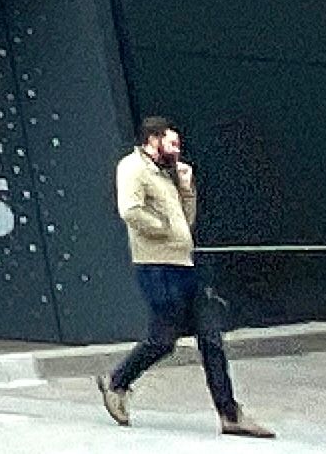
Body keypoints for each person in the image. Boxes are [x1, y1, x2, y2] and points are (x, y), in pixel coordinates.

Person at [103, 116, 270, 436]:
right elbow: (130, 210)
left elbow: (186, 222)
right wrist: (163, 230)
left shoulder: (169, 174)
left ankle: (229, 413)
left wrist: (186, 189)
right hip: (156, 266)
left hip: (185, 264)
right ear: (153, 140)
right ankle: (117, 383)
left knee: (210, 336)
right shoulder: (133, 168)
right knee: (164, 339)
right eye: (172, 143)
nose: (177, 150)